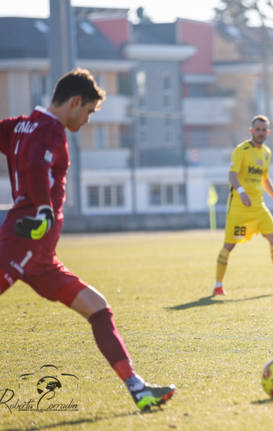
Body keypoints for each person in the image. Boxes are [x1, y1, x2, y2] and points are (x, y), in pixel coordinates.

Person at [0, 68, 175, 410]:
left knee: (99, 309)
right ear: (75, 102)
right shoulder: (51, 128)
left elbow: (31, 159)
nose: (88, 121)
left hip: (42, 259)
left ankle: (137, 388)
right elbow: (36, 166)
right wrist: (43, 211)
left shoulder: (20, 125)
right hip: (23, 241)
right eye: (89, 112)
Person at [213, 115, 273, 296]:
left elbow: (264, 179)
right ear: (251, 130)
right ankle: (218, 285)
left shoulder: (266, 153)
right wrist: (241, 193)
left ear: (268, 132)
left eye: (264, 130)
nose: (261, 133)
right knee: (229, 246)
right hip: (239, 211)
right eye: (258, 129)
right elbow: (232, 175)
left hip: (259, 208)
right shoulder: (241, 150)